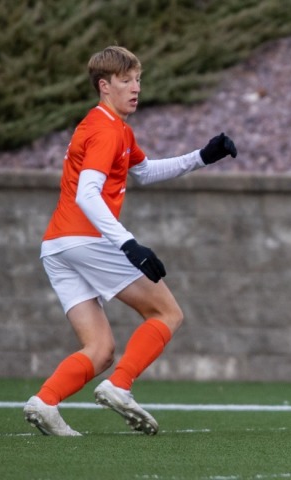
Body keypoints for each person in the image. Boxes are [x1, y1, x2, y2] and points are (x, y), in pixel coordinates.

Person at [23, 45, 237, 436]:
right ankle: (120, 386)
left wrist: (202, 157)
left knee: (100, 349)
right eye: (125, 80)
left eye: (138, 79)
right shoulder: (106, 130)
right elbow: (88, 194)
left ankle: (46, 401)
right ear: (104, 86)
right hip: (85, 238)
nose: (135, 87)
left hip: (57, 245)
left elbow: (146, 171)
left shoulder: (110, 127)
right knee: (167, 313)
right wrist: (128, 244)